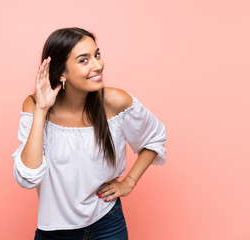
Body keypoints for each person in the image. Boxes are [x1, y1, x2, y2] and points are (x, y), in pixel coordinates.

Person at [12, 27, 167, 240]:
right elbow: (27, 178)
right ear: (61, 72)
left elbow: (154, 137)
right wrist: (41, 110)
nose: (97, 66)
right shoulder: (35, 106)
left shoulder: (115, 102)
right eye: (84, 60)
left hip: (107, 224)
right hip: (55, 232)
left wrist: (129, 181)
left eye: (97, 55)